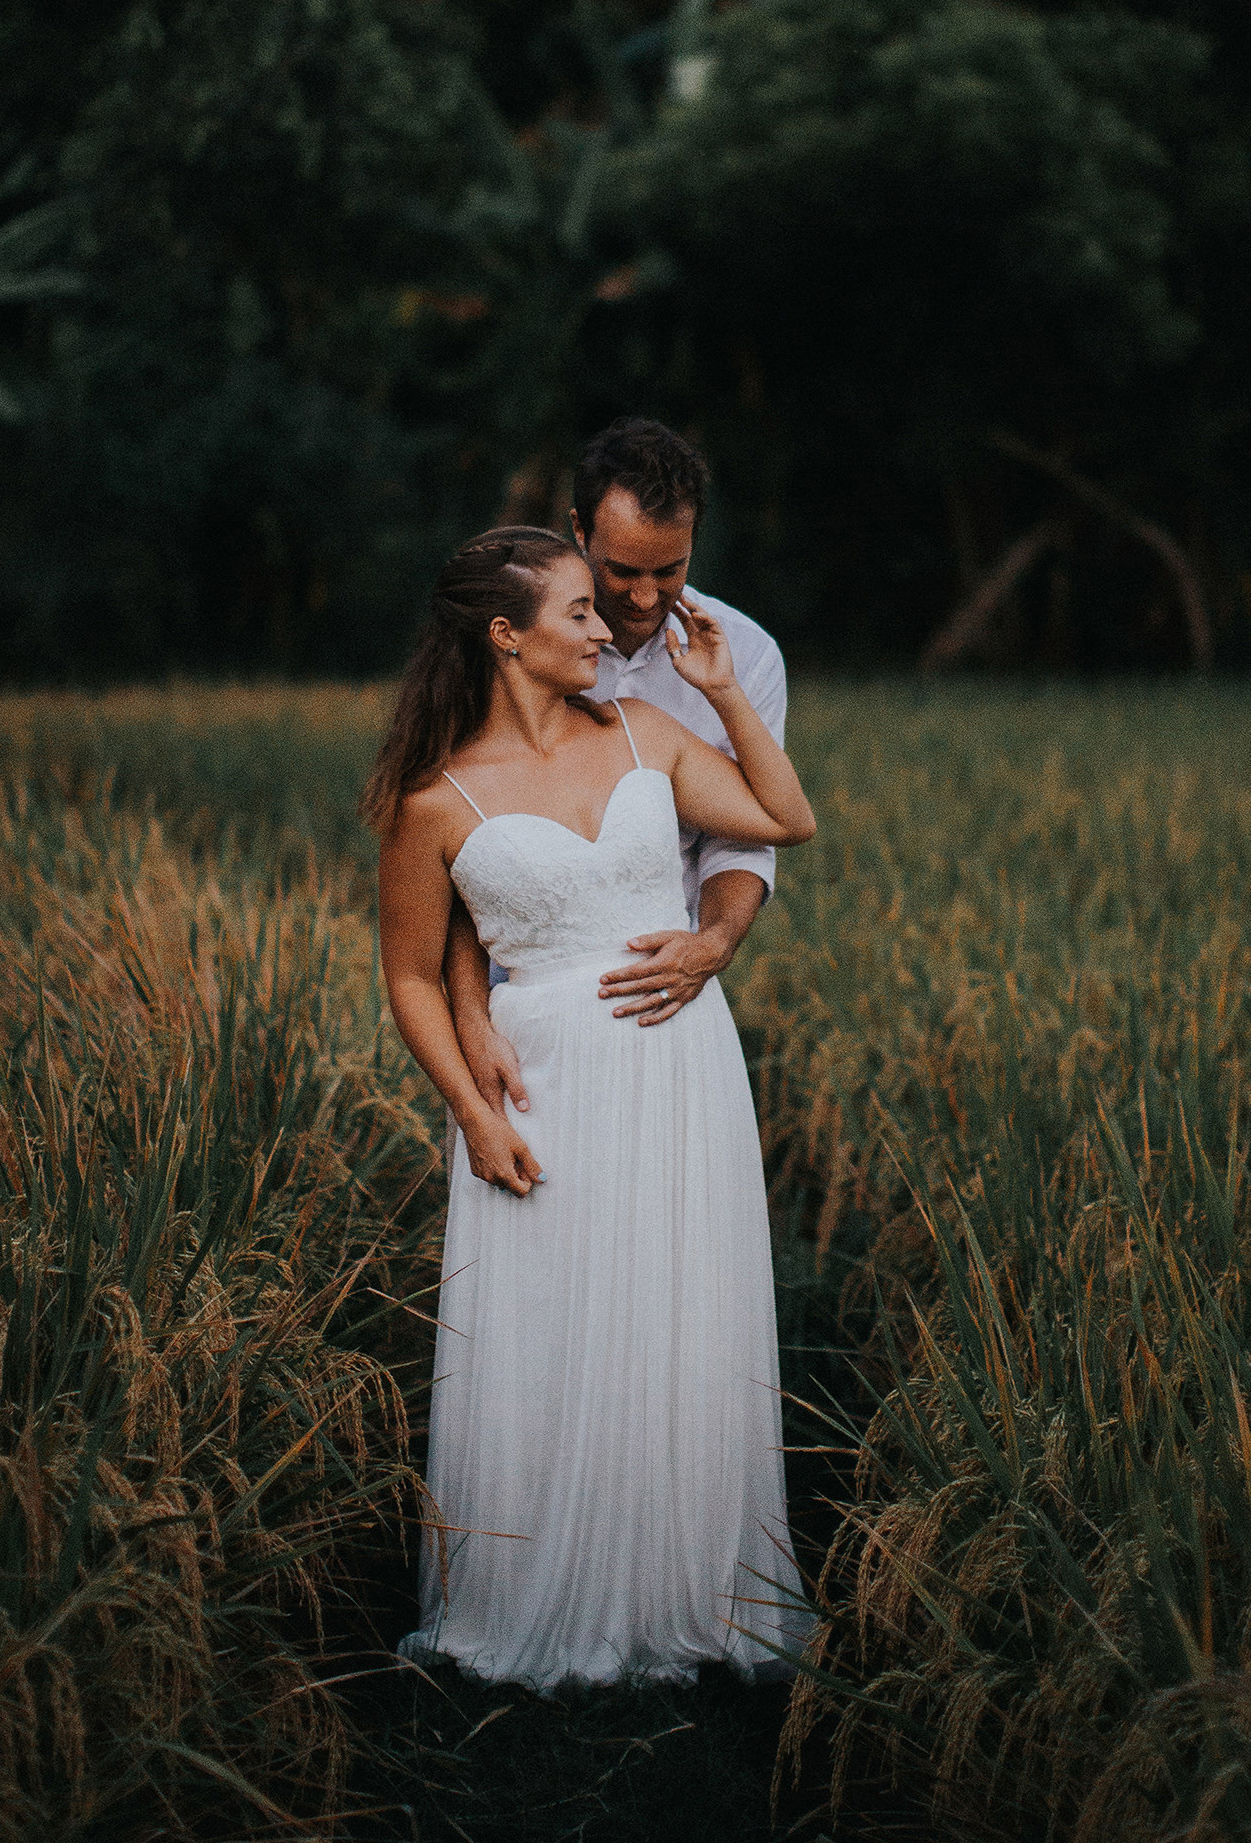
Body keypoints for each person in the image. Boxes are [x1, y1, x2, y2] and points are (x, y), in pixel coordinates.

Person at [366, 522, 815, 1689]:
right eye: (576, 610)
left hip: (681, 1065)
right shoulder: (434, 800)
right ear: (505, 636)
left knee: (681, 1312)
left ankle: (684, 1589)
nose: (603, 631)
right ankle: (534, 1593)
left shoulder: (643, 732)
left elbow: (784, 819)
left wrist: (724, 692)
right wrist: (472, 1113)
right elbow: (410, 976)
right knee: (550, 1328)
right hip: (543, 1083)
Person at [446, 419, 786, 1123]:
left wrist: (713, 944)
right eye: (623, 571)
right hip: (521, 1002)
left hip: (668, 1000)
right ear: (578, 530)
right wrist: (473, 1022)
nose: (644, 597)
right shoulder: (513, 652)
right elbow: (456, 859)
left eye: (670, 571)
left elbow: (750, 834)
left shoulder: (746, 655)